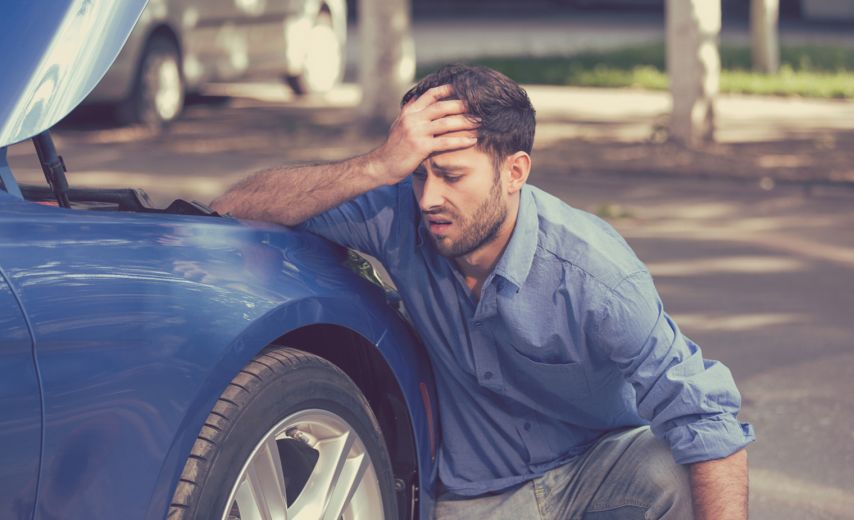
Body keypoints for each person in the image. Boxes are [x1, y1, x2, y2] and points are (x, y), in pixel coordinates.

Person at [212, 64, 755, 520]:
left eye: (451, 175)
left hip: (599, 466)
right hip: (481, 495)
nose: (428, 198)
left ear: (515, 171)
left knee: (676, 468)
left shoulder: (597, 274)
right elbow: (235, 206)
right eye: (419, 175)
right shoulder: (397, 212)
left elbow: (705, 417)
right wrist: (379, 165)